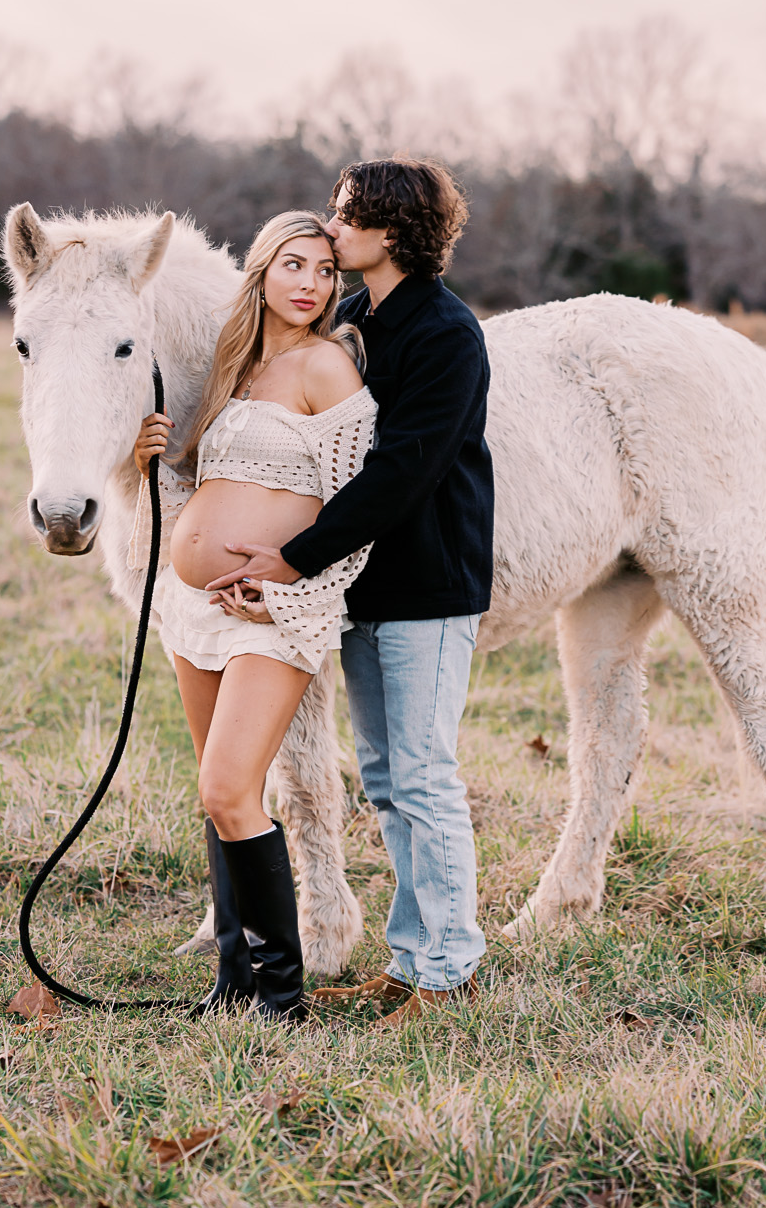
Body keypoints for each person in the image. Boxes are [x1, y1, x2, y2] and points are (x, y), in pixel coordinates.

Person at [206, 158, 497, 1030]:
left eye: (343, 218)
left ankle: (450, 971)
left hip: (430, 585)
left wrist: (293, 558)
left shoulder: (446, 334)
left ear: (390, 231)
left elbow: (400, 472)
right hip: (369, 583)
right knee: (384, 777)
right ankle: (413, 961)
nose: (330, 231)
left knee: (422, 774)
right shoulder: (364, 316)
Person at [133, 210, 376, 1022]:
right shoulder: (235, 370)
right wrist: (150, 461)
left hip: (271, 618)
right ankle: (233, 981)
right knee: (219, 799)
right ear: (262, 272)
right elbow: (203, 493)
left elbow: (358, 513)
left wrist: (288, 592)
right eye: (294, 267)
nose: (310, 284)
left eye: (324, 272)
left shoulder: (327, 369)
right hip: (196, 611)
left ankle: (283, 996)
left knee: (230, 786)